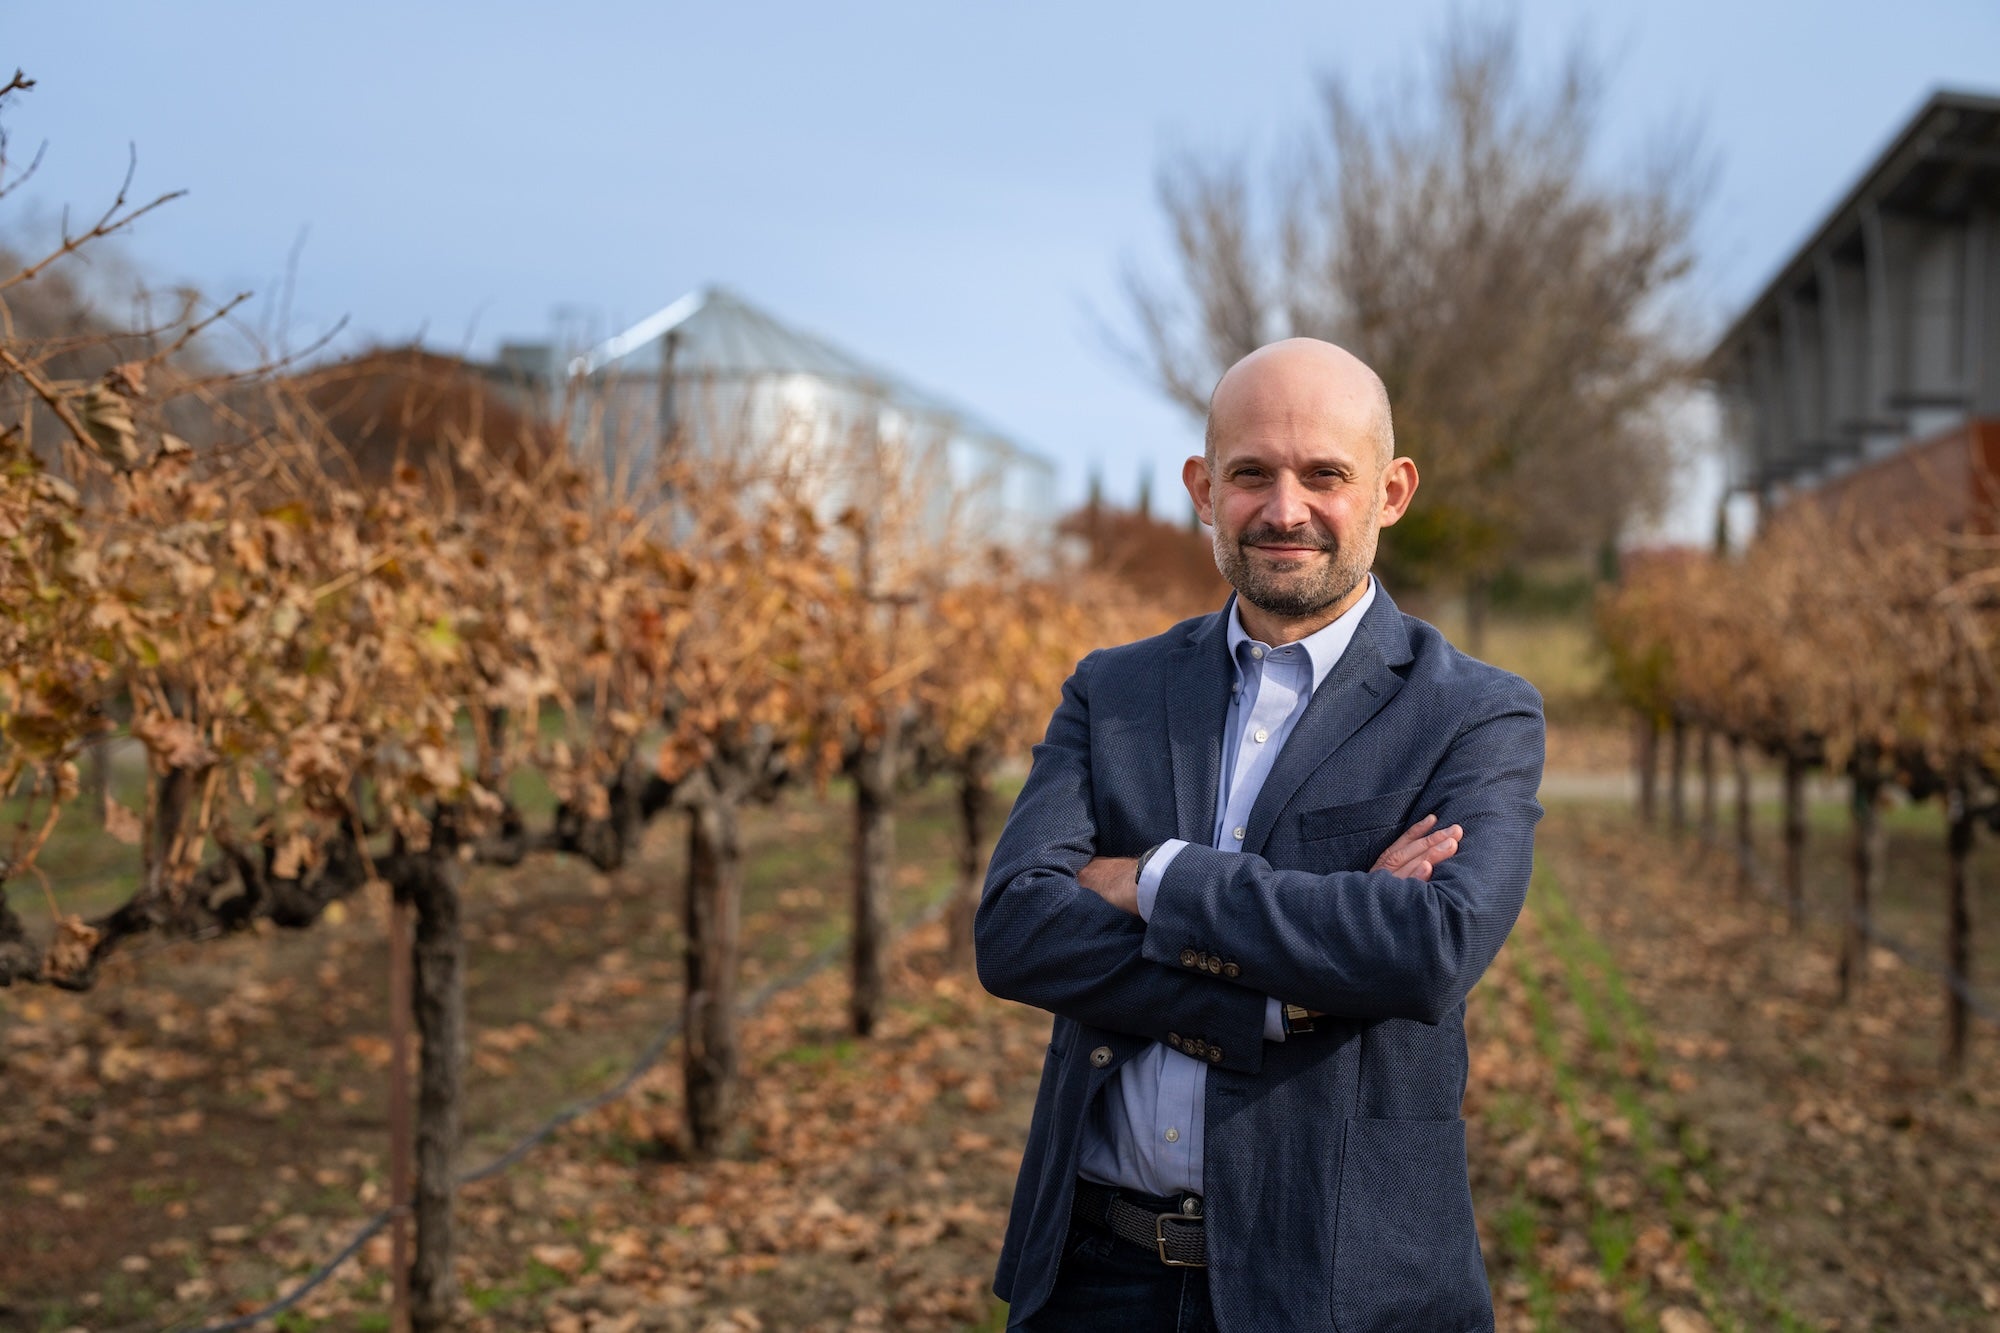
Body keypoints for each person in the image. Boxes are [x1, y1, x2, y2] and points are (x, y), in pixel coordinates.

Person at [975, 338, 1545, 1332]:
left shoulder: (1474, 714)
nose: (1284, 510)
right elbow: (1017, 929)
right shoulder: (1111, 690)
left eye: (1324, 473)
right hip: (1093, 1278)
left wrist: (1152, 877)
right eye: (1250, 474)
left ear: (1390, 490)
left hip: (1341, 1285)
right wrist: (1280, 1000)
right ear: (1203, 487)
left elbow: (1426, 948)